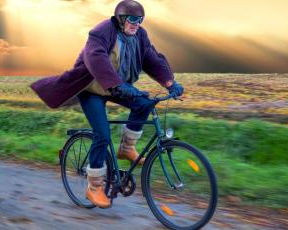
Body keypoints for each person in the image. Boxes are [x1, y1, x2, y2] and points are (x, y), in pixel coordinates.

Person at [30, 0, 183, 208]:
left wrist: (170, 83)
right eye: (133, 19)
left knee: (145, 103)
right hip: (92, 88)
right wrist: (117, 85)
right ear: (120, 19)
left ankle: (126, 148)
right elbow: (96, 58)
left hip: (117, 87)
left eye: (140, 20)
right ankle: (94, 187)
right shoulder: (101, 32)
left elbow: (151, 58)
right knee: (102, 134)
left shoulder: (140, 35)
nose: (137, 23)